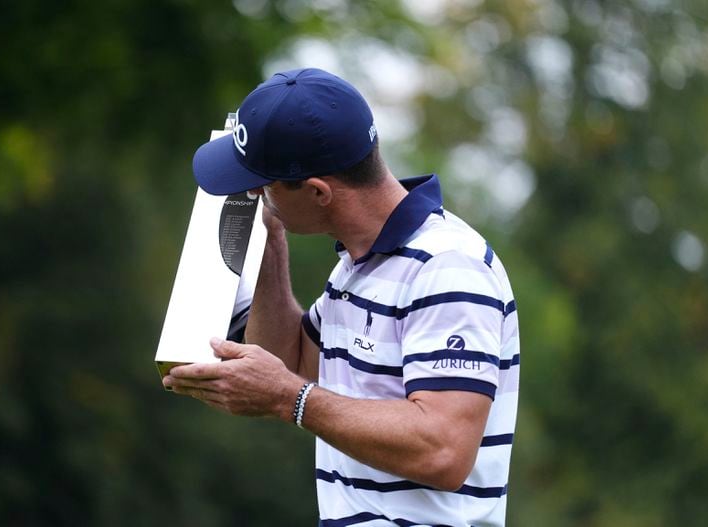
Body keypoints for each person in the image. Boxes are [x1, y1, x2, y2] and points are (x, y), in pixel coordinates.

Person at [163, 68, 520, 527]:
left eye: (265, 183)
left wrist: (289, 400)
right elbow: (290, 362)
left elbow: (444, 450)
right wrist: (271, 240)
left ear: (317, 192)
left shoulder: (448, 267)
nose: (253, 193)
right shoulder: (358, 265)